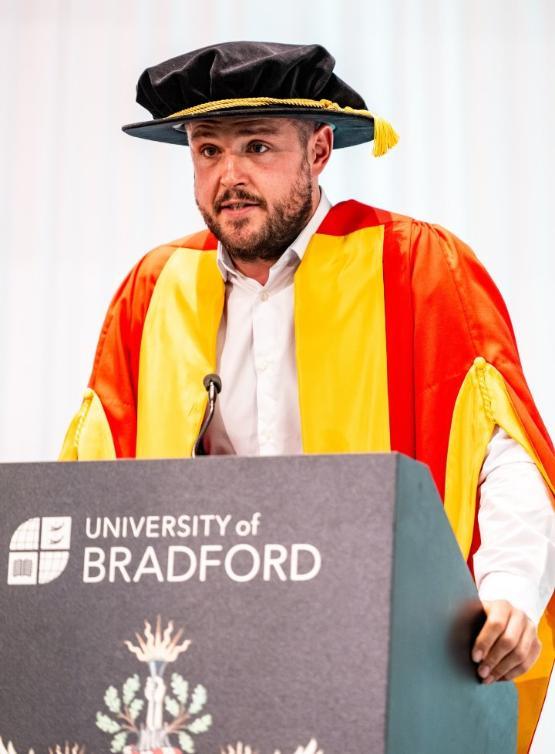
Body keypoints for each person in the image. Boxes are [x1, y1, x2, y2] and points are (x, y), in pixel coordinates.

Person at [60, 42, 554, 752]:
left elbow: (499, 448)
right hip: (208, 649)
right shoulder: (155, 289)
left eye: (257, 147)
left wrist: (507, 590)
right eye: (206, 151)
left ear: (319, 151)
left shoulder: (414, 265)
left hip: (378, 638)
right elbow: (94, 477)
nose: (227, 176)